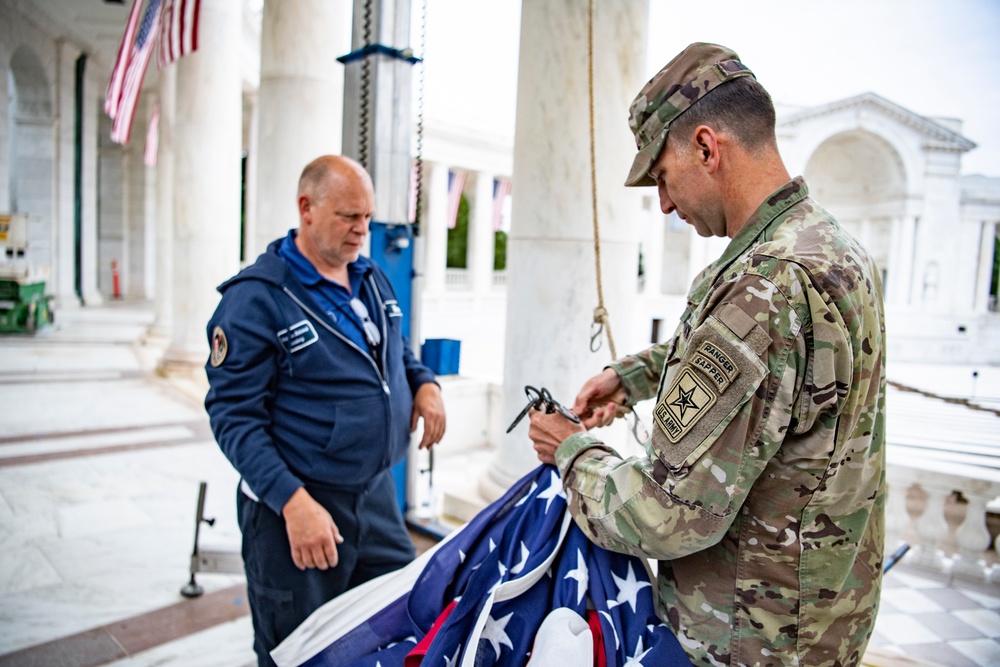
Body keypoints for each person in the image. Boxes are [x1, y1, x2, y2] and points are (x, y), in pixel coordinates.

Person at [528, 43, 886, 666]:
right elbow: (768, 369)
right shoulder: (828, 246)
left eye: (661, 177)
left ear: (705, 147)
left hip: (749, 637)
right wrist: (632, 377)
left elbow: (665, 513)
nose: (664, 203)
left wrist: (570, 449)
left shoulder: (764, 284)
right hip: (821, 622)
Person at [204, 155, 446, 666]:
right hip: (297, 509)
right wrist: (293, 503)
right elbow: (233, 418)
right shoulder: (256, 300)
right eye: (349, 217)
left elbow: (396, 350)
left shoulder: (369, 275)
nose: (363, 230)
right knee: (298, 649)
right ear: (306, 208)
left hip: (374, 498)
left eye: (368, 217)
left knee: (392, 624)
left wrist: (424, 385)